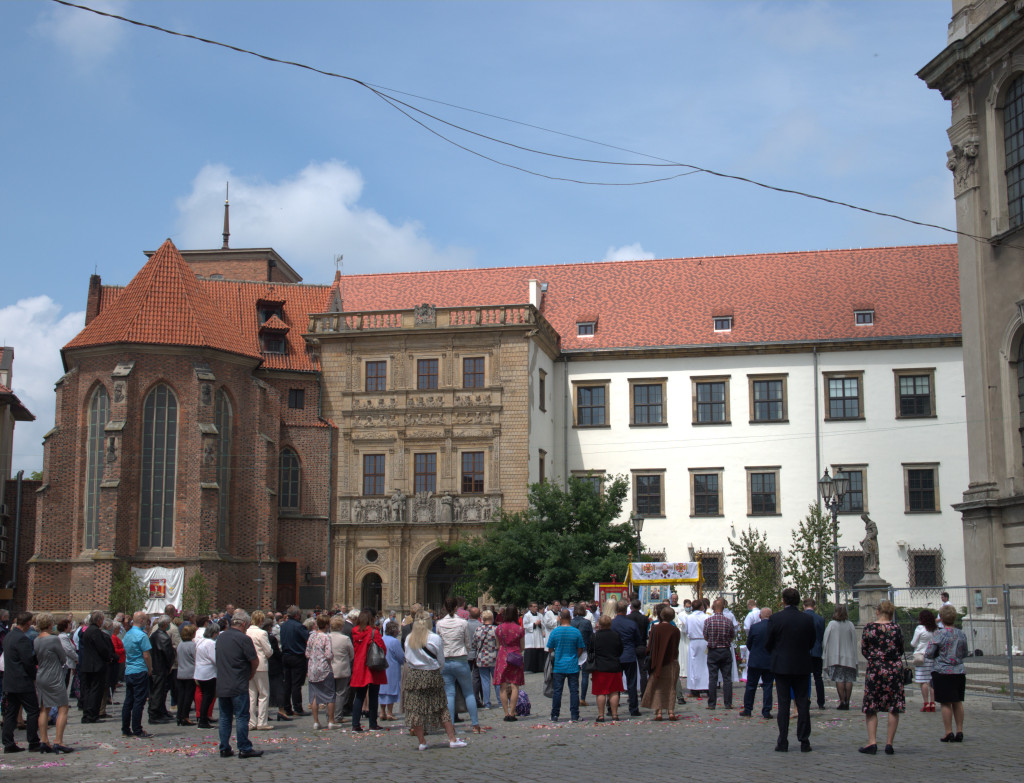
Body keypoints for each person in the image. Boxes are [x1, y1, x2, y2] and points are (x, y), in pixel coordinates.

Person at [403, 612, 467, 750]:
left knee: (415, 709)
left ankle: (421, 742)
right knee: (440, 706)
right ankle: (452, 739)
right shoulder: (434, 638)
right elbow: (441, 661)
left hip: (414, 676)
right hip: (432, 675)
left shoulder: (409, 638)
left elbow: (407, 658)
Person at [765, 587, 816, 753]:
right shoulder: (807, 619)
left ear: (783, 601)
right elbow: (811, 641)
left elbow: (769, 642)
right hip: (801, 665)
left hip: (782, 666)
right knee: (802, 703)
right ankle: (804, 740)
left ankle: (783, 740)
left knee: (784, 704)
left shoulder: (776, 618)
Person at [859, 600, 906, 755]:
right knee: (894, 705)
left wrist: (875, 658)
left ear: (877, 611)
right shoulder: (896, 628)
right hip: (893, 668)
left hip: (875, 669)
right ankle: (889, 743)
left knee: (872, 706)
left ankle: (872, 742)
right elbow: (901, 648)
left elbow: (864, 649)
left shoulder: (869, 628)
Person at [215, 609, 262, 758]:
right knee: (242, 716)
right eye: (247, 626)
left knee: (224, 717)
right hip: (238, 682)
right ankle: (244, 747)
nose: (247, 628)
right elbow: (254, 660)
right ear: (243, 624)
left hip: (223, 682)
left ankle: (224, 747)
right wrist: (251, 674)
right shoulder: (243, 639)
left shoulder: (221, 638)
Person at [436, 595, 480, 732]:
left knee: (449, 694)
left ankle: (451, 727)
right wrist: (465, 651)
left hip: (446, 660)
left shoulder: (439, 623)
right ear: (456, 607)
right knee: (469, 693)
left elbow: (438, 643)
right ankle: (475, 725)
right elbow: (468, 642)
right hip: (460, 659)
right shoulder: (463, 623)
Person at [926, 604, 969, 743]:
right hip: (958, 671)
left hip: (943, 670)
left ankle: (948, 731)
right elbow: (964, 652)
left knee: (945, 703)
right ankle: (960, 730)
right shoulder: (961, 633)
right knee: (957, 701)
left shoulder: (939, 634)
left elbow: (929, 653)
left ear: (942, 618)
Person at [32, 613, 73, 754]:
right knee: (63, 707)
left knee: (44, 708)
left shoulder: (36, 640)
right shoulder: (53, 639)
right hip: (53, 675)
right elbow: (62, 658)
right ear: (50, 624)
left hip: (41, 674)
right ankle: (58, 741)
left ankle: (44, 740)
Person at [2, 611, 40, 752]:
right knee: (33, 711)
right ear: (28, 623)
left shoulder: (9, 636)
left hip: (10, 680)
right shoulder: (22, 639)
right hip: (22, 681)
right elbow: (27, 661)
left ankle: (8, 742)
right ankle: (33, 741)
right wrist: (34, 674)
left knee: (11, 712)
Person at [349, 609, 387, 732]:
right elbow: (382, 649)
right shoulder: (374, 632)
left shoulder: (354, 631)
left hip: (359, 666)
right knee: (373, 696)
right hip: (372, 666)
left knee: (359, 696)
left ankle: (355, 724)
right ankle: (372, 723)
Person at [641, 605, 681, 721]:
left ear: (661, 616)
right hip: (672, 661)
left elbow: (650, 647)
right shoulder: (675, 630)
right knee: (671, 687)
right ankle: (671, 711)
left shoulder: (655, 628)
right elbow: (676, 646)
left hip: (657, 661)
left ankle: (659, 712)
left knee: (658, 686)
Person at [546, 609, 585, 722]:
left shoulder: (555, 632)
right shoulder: (576, 632)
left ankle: (554, 715)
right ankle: (574, 715)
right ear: (570, 618)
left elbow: (550, 648)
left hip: (559, 665)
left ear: (560, 618)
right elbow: (580, 648)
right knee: (574, 691)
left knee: (558, 691)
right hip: (572, 665)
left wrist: (557, 655)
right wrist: (575, 657)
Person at [119, 611, 153, 739]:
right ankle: (137, 728)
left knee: (129, 700)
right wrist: (150, 668)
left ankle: (125, 728)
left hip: (129, 670)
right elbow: (146, 654)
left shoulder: (127, 634)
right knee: (139, 701)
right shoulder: (142, 635)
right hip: (139, 669)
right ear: (142, 621)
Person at [78, 610, 115, 724]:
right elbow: (102, 648)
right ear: (99, 620)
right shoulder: (95, 632)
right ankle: (92, 715)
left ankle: (88, 713)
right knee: (95, 691)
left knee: (89, 690)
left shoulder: (88, 630)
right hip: (95, 665)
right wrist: (109, 656)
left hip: (88, 664)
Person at [822, 604, 858, 711]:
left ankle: (842, 700)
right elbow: (854, 640)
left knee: (839, 679)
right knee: (849, 679)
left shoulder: (832, 624)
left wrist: (825, 653)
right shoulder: (850, 624)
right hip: (849, 656)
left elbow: (825, 639)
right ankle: (847, 701)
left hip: (836, 656)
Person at [739, 607, 774, 719]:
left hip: (756, 660)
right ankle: (766, 710)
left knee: (751, 686)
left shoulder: (754, 627)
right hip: (769, 661)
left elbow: (749, 644)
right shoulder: (774, 627)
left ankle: (748, 709)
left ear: (760, 616)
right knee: (768, 686)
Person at [610, 600, 643, 716]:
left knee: (614, 684)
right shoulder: (631, 623)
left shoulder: (612, 623)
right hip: (629, 654)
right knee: (631, 684)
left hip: (616, 656)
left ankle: (611, 708)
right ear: (625, 610)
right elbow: (638, 640)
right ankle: (633, 709)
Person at [305, 613, 337, 730]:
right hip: (324, 668)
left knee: (314, 696)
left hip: (312, 668)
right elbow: (328, 655)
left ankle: (316, 722)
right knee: (330, 695)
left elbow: (307, 653)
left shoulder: (312, 636)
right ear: (327, 625)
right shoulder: (326, 637)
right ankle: (331, 721)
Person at [588, 614, 623, 721]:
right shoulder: (616, 635)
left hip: (600, 667)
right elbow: (620, 650)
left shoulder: (595, 636)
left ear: (600, 624)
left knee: (601, 692)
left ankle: (601, 715)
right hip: (614, 666)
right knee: (614, 691)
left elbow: (590, 651)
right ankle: (615, 714)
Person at [493, 605, 525, 721]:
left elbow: (497, 645)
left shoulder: (499, 628)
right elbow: (522, 647)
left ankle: (506, 713)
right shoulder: (519, 629)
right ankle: (512, 712)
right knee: (515, 685)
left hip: (502, 656)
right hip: (515, 656)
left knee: (502, 685)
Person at [703, 597, 735, 710]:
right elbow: (732, 636)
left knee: (712, 678)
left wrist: (712, 641)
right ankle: (728, 703)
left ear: (713, 608)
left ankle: (711, 703)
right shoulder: (728, 621)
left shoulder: (708, 621)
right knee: (727, 678)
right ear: (723, 608)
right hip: (725, 650)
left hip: (713, 650)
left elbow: (705, 636)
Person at [245, 610, 273, 731]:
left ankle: (251, 721)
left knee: (251, 694)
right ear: (261, 621)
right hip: (261, 665)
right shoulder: (262, 633)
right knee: (263, 694)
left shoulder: (246, 632)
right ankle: (262, 721)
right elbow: (268, 651)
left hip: (248, 665)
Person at [279, 605, 309, 717]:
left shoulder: (283, 626)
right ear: (297, 615)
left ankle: (287, 707)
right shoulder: (299, 626)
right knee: (296, 684)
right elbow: (307, 639)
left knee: (287, 683)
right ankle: (298, 707)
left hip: (286, 656)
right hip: (297, 656)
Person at [148, 616, 175, 724]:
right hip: (160, 667)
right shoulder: (162, 637)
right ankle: (154, 714)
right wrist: (169, 665)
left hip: (157, 666)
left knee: (160, 691)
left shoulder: (155, 634)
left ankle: (160, 711)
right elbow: (168, 654)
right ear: (165, 624)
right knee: (158, 691)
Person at [327, 614, 353, 723]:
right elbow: (351, 654)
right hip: (342, 668)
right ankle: (337, 716)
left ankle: (329, 716)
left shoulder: (326, 637)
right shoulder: (345, 638)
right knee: (341, 693)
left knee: (329, 693)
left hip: (328, 668)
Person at [912, 609, 938, 713]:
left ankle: (926, 703)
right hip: (932, 656)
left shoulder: (920, 628)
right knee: (932, 681)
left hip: (921, 656)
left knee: (923, 681)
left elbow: (913, 643)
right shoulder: (935, 629)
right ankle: (933, 703)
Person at [377, 620, 405, 722]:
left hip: (381, 667)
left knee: (382, 690)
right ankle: (389, 713)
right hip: (392, 667)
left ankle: (382, 712)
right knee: (391, 690)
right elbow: (401, 656)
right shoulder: (394, 641)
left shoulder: (381, 639)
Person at [194, 622, 219, 729]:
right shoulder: (210, 643)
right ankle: (203, 720)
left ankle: (203, 718)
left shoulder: (200, 642)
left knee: (205, 696)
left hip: (199, 671)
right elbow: (215, 659)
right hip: (208, 673)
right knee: (207, 697)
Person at [472, 609, 498, 709]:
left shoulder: (478, 630)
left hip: (482, 658)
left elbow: (474, 644)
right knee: (496, 681)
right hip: (494, 658)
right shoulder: (495, 629)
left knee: (485, 681)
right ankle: (500, 702)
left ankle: (487, 703)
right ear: (492, 618)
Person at [803, 598, 826, 709]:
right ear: (814, 606)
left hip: (804, 651)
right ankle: (821, 702)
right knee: (818, 677)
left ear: (804, 606)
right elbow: (821, 635)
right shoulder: (820, 619)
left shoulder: (801, 617)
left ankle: (806, 699)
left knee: (805, 677)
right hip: (816, 650)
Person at [571, 603, 594, 706]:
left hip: (573, 650)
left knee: (574, 676)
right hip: (584, 649)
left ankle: (575, 697)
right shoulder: (587, 622)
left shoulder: (571, 622)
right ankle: (582, 698)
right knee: (585, 675)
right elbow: (591, 637)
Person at [684, 598, 709, 696]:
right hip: (704, 641)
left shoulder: (689, 618)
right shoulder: (706, 617)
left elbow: (687, 630)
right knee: (705, 665)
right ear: (702, 607)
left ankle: (695, 689)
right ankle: (707, 688)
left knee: (694, 666)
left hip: (694, 641)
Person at [175, 623, 197, 726]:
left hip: (181, 672)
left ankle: (179, 716)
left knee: (181, 696)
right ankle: (185, 716)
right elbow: (196, 658)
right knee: (188, 696)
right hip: (190, 673)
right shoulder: (192, 645)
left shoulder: (180, 644)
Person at [522, 602, 546, 673]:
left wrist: (540, 624)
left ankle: (540, 668)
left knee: (540, 651)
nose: (536, 608)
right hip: (530, 636)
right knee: (531, 652)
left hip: (538, 634)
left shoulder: (540, 615)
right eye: (534, 606)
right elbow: (525, 625)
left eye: (536, 606)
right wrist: (534, 624)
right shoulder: (527, 615)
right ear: (530, 607)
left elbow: (544, 625)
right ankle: (529, 668)